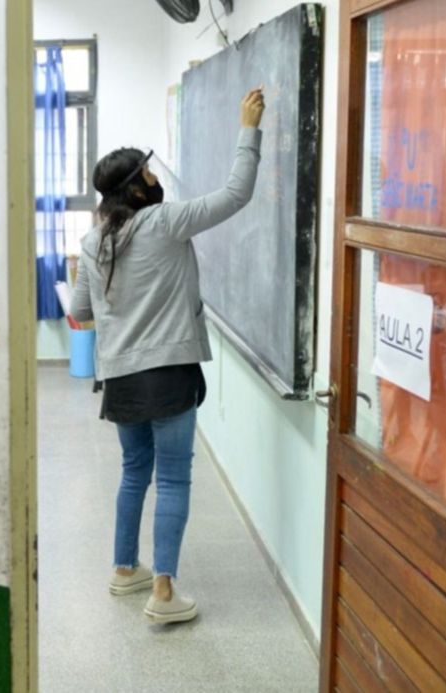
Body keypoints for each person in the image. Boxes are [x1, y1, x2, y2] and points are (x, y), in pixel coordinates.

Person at [70, 87, 265, 624]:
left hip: (121, 379)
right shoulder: (165, 222)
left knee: (135, 471)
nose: (156, 177)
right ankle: (162, 591)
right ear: (138, 186)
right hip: (169, 374)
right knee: (174, 478)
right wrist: (249, 130)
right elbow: (236, 194)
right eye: (149, 172)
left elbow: (80, 311)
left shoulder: (93, 241)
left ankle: (124, 569)